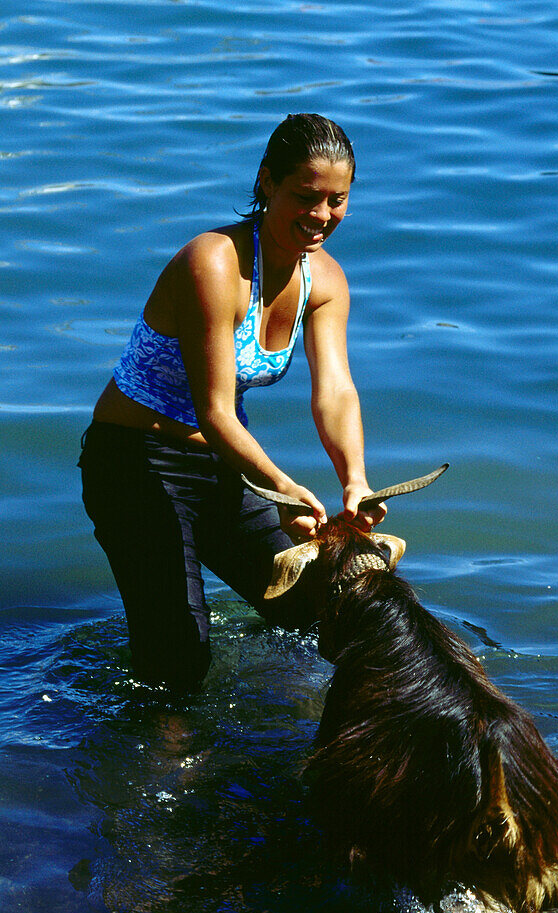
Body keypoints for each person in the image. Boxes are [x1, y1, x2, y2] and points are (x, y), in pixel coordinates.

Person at [79, 113, 386, 691]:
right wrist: (286, 486)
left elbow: (337, 391)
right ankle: (156, 758)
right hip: (135, 459)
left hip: (224, 463)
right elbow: (215, 411)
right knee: (178, 662)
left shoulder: (325, 281)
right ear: (267, 182)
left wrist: (355, 482)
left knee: (321, 610)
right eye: (305, 196)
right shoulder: (214, 263)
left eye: (337, 201)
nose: (321, 216)